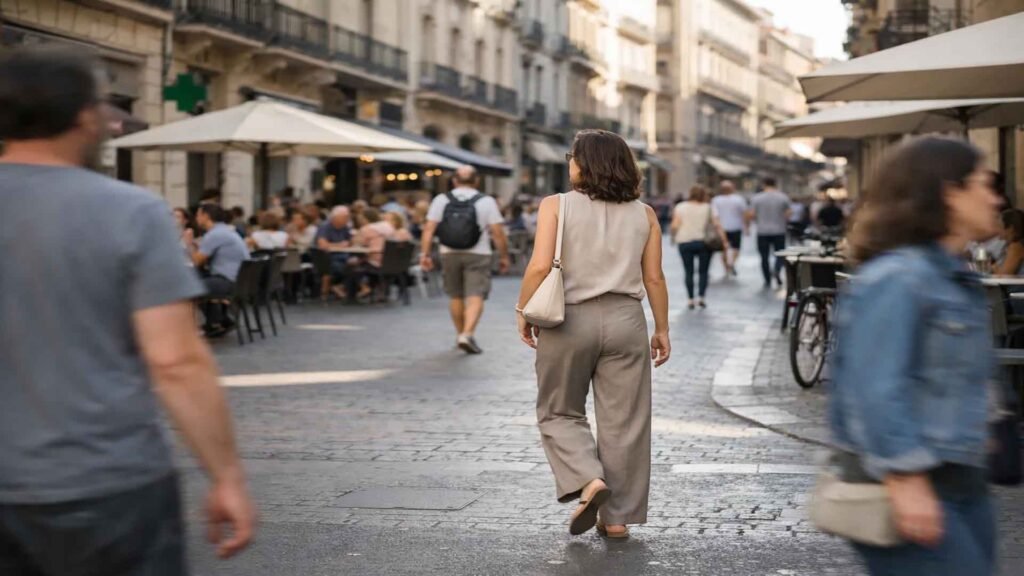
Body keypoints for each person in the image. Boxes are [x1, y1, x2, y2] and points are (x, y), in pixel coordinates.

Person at [0, 46, 254, 573]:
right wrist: (225, 476)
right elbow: (176, 362)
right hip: (108, 485)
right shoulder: (132, 212)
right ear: (85, 117)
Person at [832, 137, 1002, 575]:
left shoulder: (954, 277)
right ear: (949, 192)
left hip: (963, 480)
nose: (996, 197)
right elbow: (874, 387)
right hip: (911, 483)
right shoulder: (899, 279)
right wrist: (906, 480)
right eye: (984, 184)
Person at [516, 130, 671, 540]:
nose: (569, 162)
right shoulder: (646, 214)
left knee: (559, 410)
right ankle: (617, 518)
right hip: (627, 320)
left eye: (572, 156)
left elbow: (537, 266)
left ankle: (588, 480)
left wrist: (523, 310)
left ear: (583, 164)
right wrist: (663, 328)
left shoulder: (556, 206)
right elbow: (654, 277)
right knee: (626, 422)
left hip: (569, 318)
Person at [420, 165, 510, 354]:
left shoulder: (441, 199)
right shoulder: (486, 201)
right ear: (477, 181)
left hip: (448, 252)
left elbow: (429, 229)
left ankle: (461, 333)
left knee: (456, 295)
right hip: (479, 253)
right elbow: (497, 233)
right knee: (475, 295)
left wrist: (425, 254)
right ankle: (467, 334)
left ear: (454, 180)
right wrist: (504, 256)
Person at [190, 203, 251, 337]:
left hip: (227, 281)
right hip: (239, 280)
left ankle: (192, 331)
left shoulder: (214, 234)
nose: (196, 218)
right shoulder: (227, 231)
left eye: (198, 215)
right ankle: (219, 321)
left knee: (189, 287)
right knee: (195, 278)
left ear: (206, 216)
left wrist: (189, 243)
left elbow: (196, 261)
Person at [672, 185, 728, 309]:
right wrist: (724, 240)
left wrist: (673, 235)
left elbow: (675, 225)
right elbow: (717, 225)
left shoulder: (680, 207)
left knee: (688, 271)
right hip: (704, 242)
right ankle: (701, 297)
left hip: (684, 241)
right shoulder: (707, 207)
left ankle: (690, 299)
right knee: (703, 272)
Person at [747, 177, 791, 288]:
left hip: (762, 231)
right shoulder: (783, 197)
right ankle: (776, 270)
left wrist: (759, 218)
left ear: (764, 184)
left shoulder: (757, 198)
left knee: (764, 257)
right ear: (775, 184)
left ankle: (767, 279)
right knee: (780, 255)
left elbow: (751, 214)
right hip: (779, 230)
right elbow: (788, 214)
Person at [316, 205, 354, 300]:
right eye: (345, 217)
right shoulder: (325, 227)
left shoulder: (345, 227)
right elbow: (322, 244)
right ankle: (337, 287)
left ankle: (344, 288)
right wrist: (339, 245)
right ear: (336, 217)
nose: (347, 219)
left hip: (344, 255)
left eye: (347, 217)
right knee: (343, 266)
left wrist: (349, 242)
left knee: (356, 263)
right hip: (327, 257)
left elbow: (350, 241)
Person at [710, 180, 747, 276]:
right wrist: (746, 226)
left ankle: (726, 267)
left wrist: (715, 227)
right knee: (736, 248)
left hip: (722, 228)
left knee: (724, 249)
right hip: (736, 226)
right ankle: (731, 263)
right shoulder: (739, 199)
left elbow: (714, 216)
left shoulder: (716, 200)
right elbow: (744, 213)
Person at [994, 209, 1024, 276]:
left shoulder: (1016, 247)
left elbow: (1004, 275)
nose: (997, 230)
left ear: (1011, 228)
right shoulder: (1008, 246)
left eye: (1000, 226)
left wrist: (993, 267)